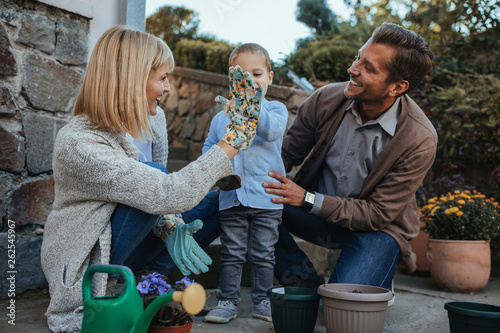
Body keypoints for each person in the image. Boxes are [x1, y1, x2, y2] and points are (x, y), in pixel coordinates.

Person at [40, 25, 261, 333]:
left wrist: (170, 226)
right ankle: (116, 288)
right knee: (157, 177)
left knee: (217, 205)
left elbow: (156, 198)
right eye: (162, 78)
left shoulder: (154, 121)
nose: (168, 88)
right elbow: (161, 191)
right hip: (91, 257)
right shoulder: (79, 143)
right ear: (131, 80)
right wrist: (232, 141)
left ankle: (146, 284)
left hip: (134, 234)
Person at [263, 23, 437, 291]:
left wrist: (307, 198)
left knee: (343, 308)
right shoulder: (326, 99)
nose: (352, 69)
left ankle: (371, 276)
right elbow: (284, 156)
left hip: (375, 232)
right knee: (237, 201)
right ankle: (303, 283)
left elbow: (378, 214)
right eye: (358, 57)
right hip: (317, 216)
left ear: (397, 87)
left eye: (369, 68)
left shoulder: (419, 139)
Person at [202, 43, 289, 324]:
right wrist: (212, 168)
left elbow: (271, 131)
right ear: (231, 81)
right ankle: (228, 300)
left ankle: (263, 299)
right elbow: (209, 148)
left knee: (264, 253)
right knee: (232, 252)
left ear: (270, 78)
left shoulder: (275, 110)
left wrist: (252, 104)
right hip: (233, 197)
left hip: (267, 199)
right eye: (242, 76)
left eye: (257, 74)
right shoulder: (220, 117)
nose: (250, 81)